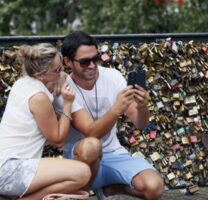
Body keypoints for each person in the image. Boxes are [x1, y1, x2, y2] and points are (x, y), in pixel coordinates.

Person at [53, 31, 164, 200]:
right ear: (68, 61)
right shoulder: (63, 88)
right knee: (91, 145)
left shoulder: (112, 76)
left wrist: (143, 107)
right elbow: (91, 133)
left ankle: (109, 189)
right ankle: (79, 195)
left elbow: (140, 124)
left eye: (95, 59)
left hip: (113, 154)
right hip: (81, 158)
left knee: (154, 188)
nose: (92, 65)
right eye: (84, 62)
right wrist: (116, 110)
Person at [0, 43, 94, 200]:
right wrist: (67, 104)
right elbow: (58, 140)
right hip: (8, 169)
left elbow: (57, 78)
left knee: (76, 190)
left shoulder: (23, 82)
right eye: (58, 70)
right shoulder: (38, 98)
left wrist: (59, 77)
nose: (63, 72)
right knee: (82, 174)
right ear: (41, 75)